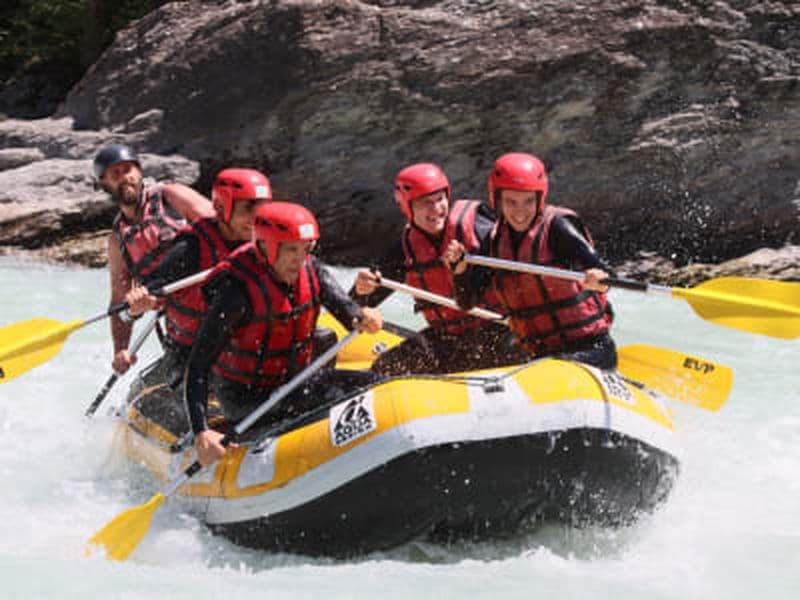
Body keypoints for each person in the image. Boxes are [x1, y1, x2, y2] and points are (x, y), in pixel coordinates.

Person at [184, 202, 383, 466]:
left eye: (305, 249)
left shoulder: (311, 270)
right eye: (290, 249)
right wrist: (201, 431)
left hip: (294, 382)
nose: (299, 259)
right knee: (333, 397)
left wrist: (362, 316)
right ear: (266, 246)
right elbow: (197, 367)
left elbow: (347, 311)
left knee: (376, 384)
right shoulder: (235, 294)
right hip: (246, 397)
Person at [351, 162, 527, 376]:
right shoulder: (403, 251)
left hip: (499, 331)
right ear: (407, 207)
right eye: (425, 203)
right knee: (384, 368)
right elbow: (353, 307)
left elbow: (522, 263)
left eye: (440, 199)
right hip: (449, 339)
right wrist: (361, 292)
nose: (436, 209)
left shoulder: (479, 228)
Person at [452, 152, 617, 370]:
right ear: (497, 200)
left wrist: (600, 277)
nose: (520, 211)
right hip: (542, 357)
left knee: (545, 370)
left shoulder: (558, 228)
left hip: (591, 351)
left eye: (528, 201)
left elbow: (606, 273)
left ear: (540, 198)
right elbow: (467, 302)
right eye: (511, 202)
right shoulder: (493, 242)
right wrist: (460, 271)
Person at [124, 168, 273, 388]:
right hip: (192, 350)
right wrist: (136, 308)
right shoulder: (191, 248)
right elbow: (154, 292)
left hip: (248, 345)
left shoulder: (272, 243)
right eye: (248, 208)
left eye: (261, 208)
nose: (256, 217)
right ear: (222, 208)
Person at [93, 143, 215, 374]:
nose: (125, 178)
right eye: (115, 174)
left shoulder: (172, 196)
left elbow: (227, 229)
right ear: (104, 184)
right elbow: (119, 305)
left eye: (128, 170)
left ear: (139, 171)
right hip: (181, 327)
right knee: (143, 400)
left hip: (218, 305)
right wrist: (121, 349)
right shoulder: (118, 241)